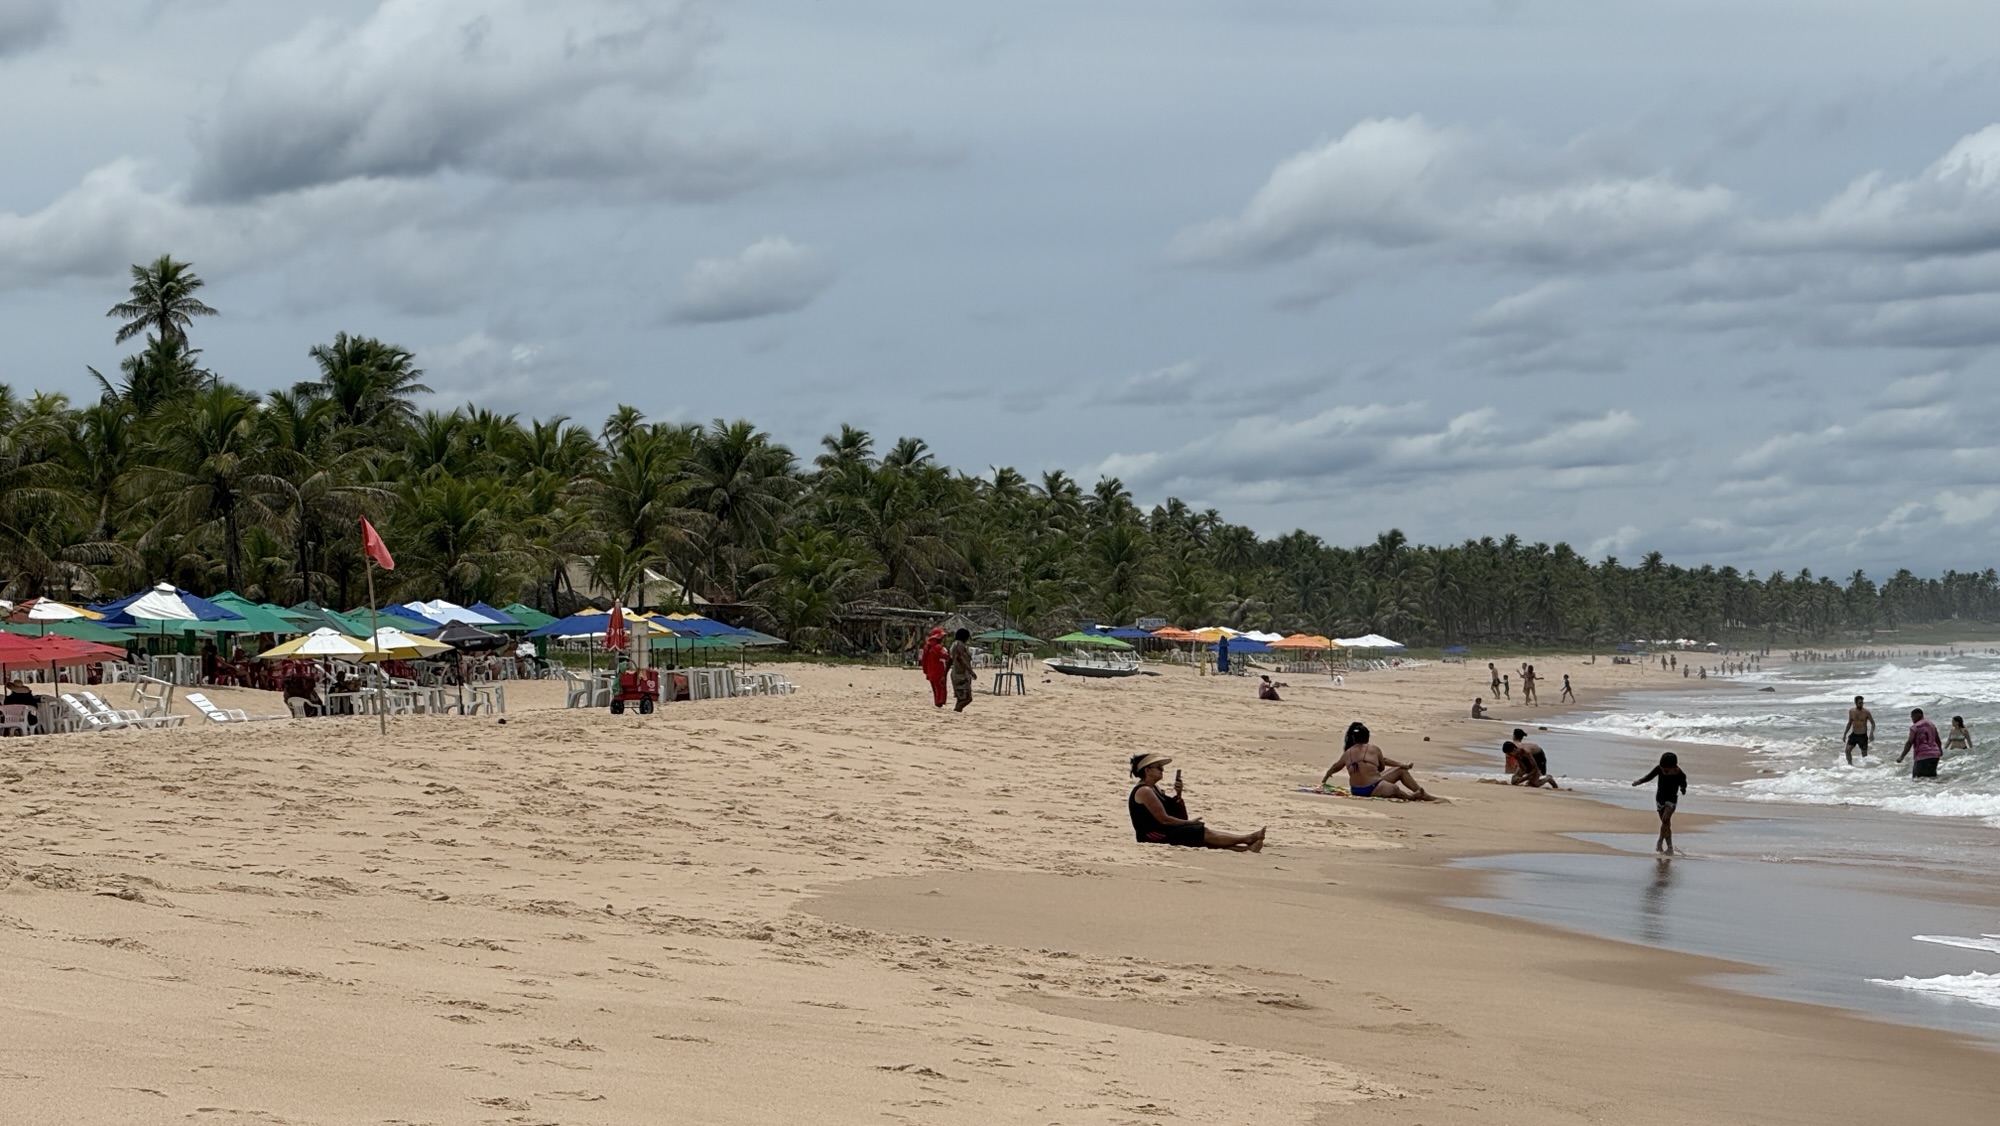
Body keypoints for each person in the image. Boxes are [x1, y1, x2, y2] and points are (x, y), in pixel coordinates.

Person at [1126, 753, 1265, 851]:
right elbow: (1164, 820)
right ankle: (1246, 838)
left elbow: (1177, 815)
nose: (1162, 770)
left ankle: (1245, 849)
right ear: (1147, 770)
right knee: (1201, 832)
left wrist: (1178, 795)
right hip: (1153, 836)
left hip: (1162, 831)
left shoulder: (1153, 788)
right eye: (1158, 767)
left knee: (1200, 837)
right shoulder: (1144, 791)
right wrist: (1189, 823)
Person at [1322, 721, 1435, 800]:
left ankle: (1421, 794)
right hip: (1373, 788)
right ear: (1367, 737)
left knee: (1400, 770)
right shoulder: (1374, 749)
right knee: (1394, 787)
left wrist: (1326, 776)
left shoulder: (1347, 753)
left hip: (1356, 790)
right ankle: (1413, 796)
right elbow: (1382, 766)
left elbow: (1335, 766)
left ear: (1354, 738)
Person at [1632, 752, 1687, 853]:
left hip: (1671, 799)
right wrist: (1639, 781)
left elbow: (1683, 783)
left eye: (1667, 769)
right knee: (1665, 823)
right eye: (1663, 768)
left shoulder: (1680, 774)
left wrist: (1683, 789)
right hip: (1660, 798)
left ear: (1673, 767)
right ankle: (1667, 845)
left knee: (1666, 819)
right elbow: (1649, 776)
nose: (1664, 771)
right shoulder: (1659, 769)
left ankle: (1663, 843)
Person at [1898, 708, 1944, 780]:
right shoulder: (1931, 725)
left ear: (1918, 715)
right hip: (1935, 755)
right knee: (1931, 778)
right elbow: (1938, 740)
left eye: (1913, 716)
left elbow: (1909, 742)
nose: (1912, 719)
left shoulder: (1915, 727)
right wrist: (1940, 750)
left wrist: (1902, 756)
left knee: (1917, 779)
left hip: (1923, 756)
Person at [919, 627, 949, 709]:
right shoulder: (938, 647)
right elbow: (946, 656)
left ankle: (937, 703)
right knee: (941, 689)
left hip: (930, 671)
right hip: (939, 671)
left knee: (935, 690)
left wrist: (925, 671)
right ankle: (940, 703)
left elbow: (923, 660)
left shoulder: (927, 647)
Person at [1842, 695, 1875, 765]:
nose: (1861, 704)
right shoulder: (1851, 711)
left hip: (1863, 736)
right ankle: (1850, 765)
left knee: (1864, 755)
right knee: (1847, 751)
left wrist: (1871, 733)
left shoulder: (1866, 712)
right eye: (1860, 703)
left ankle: (1865, 768)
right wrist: (1845, 734)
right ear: (1856, 703)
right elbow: (1849, 723)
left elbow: (1873, 723)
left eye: (1862, 703)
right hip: (1854, 735)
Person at [948, 628, 975, 713]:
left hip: (957, 672)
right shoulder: (959, 644)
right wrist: (970, 671)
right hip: (960, 674)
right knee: (967, 698)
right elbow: (960, 658)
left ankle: (957, 712)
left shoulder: (954, 645)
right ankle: (957, 710)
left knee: (961, 698)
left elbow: (950, 660)